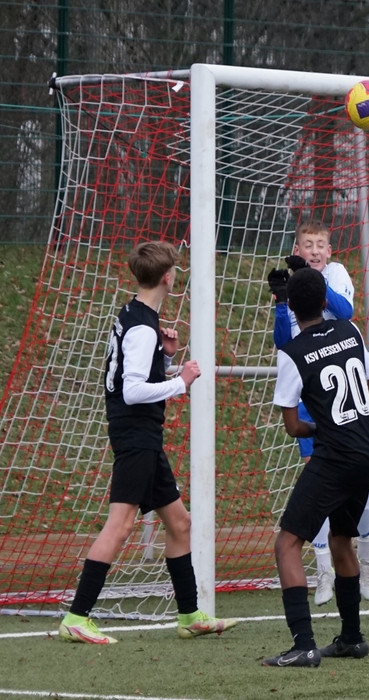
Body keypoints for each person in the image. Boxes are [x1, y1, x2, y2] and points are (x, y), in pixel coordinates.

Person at [58, 241, 238, 645]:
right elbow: (133, 390)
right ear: (168, 277)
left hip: (144, 436)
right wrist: (181, 381)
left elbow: (132, 371)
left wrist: (165, 359)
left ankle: (189, 615)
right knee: (121, 525)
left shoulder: (135, 315)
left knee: (180, 523)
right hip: (135, 435)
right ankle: (76, 616)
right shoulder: (142, 327)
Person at [262, 267, 369, 667]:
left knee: (286, 544)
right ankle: (351, 639)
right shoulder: (351, 331)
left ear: (292, 309)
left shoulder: (292, 353)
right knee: (341, 539)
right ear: (326, 301)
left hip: (336, 456)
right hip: (368, 451)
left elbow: (294, 427)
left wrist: (322, 426)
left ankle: (303, 645)